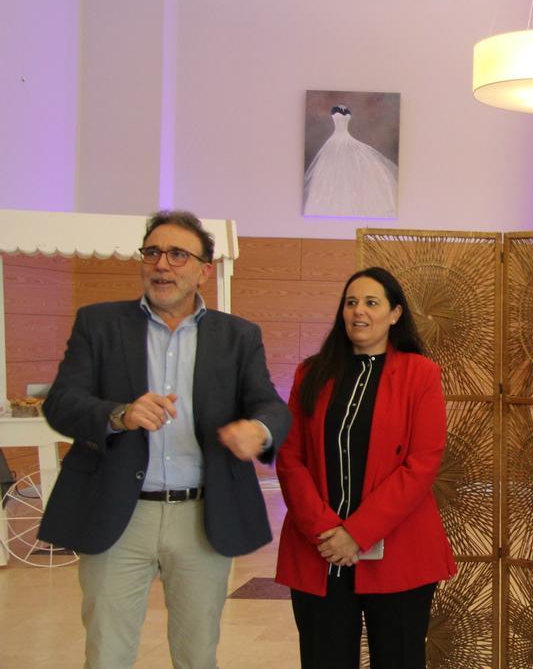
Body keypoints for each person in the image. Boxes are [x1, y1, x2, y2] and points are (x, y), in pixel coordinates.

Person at [39, 209, 291, 668]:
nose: (162, 265)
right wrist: (118, 414)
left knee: (197, 654)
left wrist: (258, 429)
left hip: (201, 517)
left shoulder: (237, 336)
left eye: (178, 254)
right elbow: (61, 402)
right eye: (153, 252)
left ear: (203, 270)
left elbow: (270, 405)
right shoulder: (98, 325)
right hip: (118, 511)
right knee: (107, 652)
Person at [275, 267, 456, 669]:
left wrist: (355, 534)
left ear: (394, 314)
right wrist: (327, 531)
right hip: (319, 549)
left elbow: (422, 463)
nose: (359, 311)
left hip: (399, 552)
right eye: (351, 302)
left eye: (371, 302)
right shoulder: (311, 372)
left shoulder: (421, 374)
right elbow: (290, 458)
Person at [303, 104, 399, 219]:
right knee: (332, 171)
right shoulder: (334, 109)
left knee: (354, 169)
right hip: (335, 140)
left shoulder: (346, 110)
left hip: (347, 139)